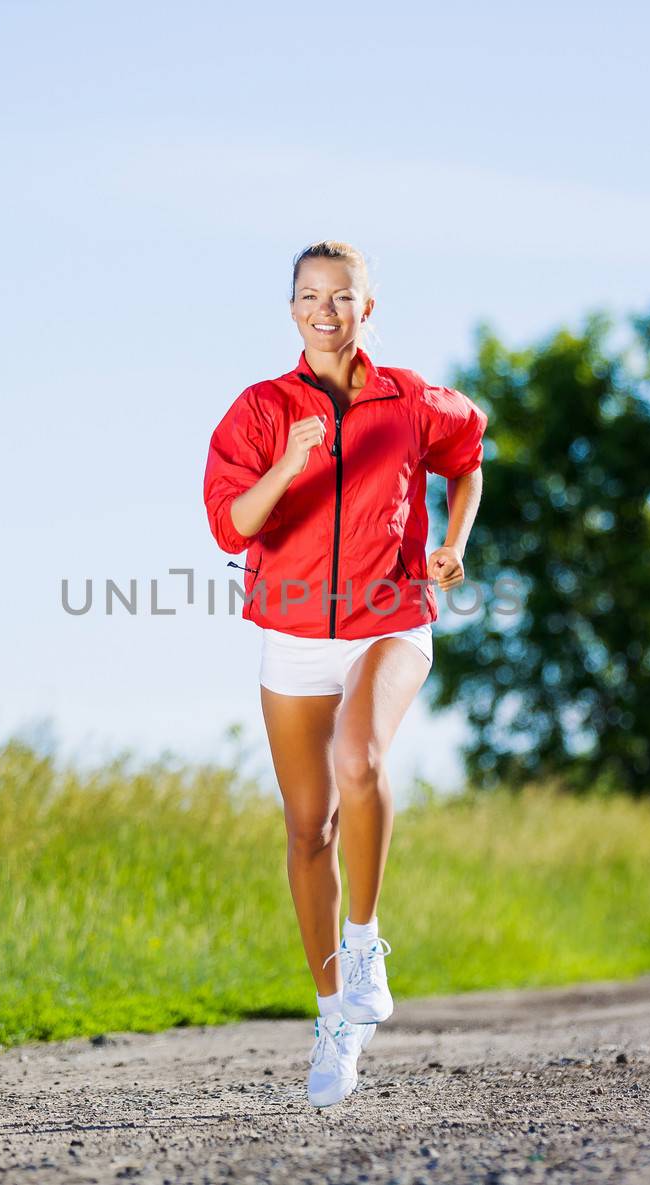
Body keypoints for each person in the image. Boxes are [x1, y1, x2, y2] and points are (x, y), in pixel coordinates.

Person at [201, 240, 487, 1107]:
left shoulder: (409, 399)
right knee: (305, 830)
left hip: (390, 618)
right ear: (292, 309)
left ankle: (363, 947)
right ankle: (336, 1018)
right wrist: (289, 461)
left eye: (342, 296)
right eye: (308, 296)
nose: (325, 310)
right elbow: (230, 527)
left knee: (358, 758)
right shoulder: (258, 411)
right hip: (291, 635)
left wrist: (451, 542)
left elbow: (468, 455)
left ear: (370, 306)